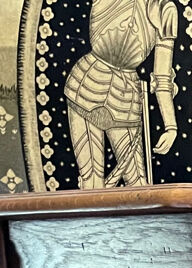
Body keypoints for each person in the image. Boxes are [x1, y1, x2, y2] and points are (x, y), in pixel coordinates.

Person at [63, 0, 181, 189]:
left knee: (137, 185)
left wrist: (171, 126)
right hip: (85, 86)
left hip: (125, 98)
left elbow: (162, 77)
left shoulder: (165, 9)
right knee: (91, 181)